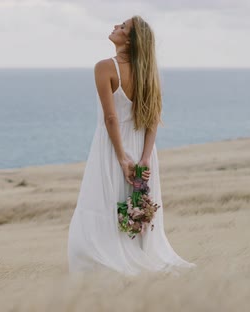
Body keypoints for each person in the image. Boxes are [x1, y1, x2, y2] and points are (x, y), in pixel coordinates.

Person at [67, 15, 196, 275]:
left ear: (130, 40)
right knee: (137, 206)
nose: (115, 26)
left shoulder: (105, 67)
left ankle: (112, 267)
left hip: (113, 148)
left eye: (122, 27)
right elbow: (152, 120)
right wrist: (145, 158)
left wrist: (122, 158)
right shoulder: (148, 73)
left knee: (104, 204)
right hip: (142, 149)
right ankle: (140, 261)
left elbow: (111, 117)